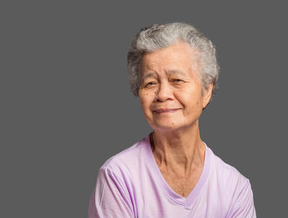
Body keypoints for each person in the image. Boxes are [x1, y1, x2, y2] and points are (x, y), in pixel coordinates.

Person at [88, 22, 256, 217]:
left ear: (206, 91)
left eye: (177, 80)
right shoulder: (119, 176)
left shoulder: (234, 188)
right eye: (150, 83)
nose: (163, 94)